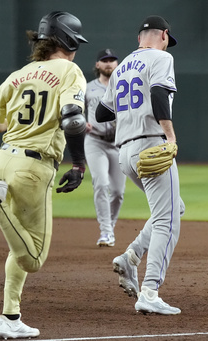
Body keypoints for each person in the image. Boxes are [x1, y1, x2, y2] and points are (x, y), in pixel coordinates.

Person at [0, 11, 88, 338]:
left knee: (18, 247)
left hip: (3, 159)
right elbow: (73, 118)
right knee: (33, 257)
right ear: (68, 41)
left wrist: (15, 129)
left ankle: (9, 317)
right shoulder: (70, 70)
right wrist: (79, 164)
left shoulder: (20, 74)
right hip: (34, 168)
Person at [96, 15, 185, 315]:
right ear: (163, 35)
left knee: (174, 208)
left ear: (138, 38)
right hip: (151, 144)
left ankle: (131, 256)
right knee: (167, 220)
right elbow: (159, 93)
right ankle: (150, 290)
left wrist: (130, 110)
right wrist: (170, 136)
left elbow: (101, 113)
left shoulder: (120, 68)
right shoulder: (161, 58)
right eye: (167, 40)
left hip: (126, 153)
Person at [85, 48, 126, 247]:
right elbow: (75, 111)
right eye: (104, 60)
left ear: (117, 64)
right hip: (95, 141)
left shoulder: (124, 87)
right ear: (98, 65)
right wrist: (80, 122)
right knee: (101, 184)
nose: (109, 63)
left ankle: (110, 225)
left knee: (118, 192)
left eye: (112, 60)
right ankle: (106, 232)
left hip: (119, 144)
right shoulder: (87, 88)